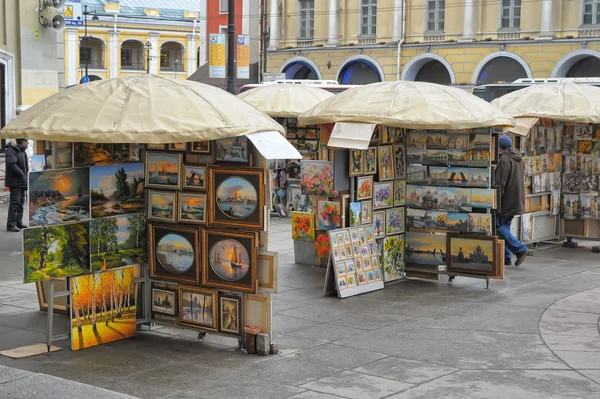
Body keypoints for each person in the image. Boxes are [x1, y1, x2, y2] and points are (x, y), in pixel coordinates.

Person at [495, 135, 528, 266]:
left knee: (499, 227)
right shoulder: (518, 158)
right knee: (505, 227)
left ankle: (520, 249)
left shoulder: (504, 159)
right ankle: (506, 258)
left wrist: (495, 199)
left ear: (499, 147)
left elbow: (500, 182)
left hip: (507, 201)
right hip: (517, 199)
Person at [5, 138, 29, 232]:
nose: (27, 144)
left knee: (21, 203)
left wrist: (25, 177)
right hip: (15, 182)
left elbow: (25, 166)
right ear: (21, 142)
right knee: (15, 203)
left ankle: (18, 222)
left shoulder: (22, 151)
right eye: (26, 142)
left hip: (22, 181)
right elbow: (11, 164)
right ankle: (11, 224)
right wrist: (22, 174)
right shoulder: (11, 149)